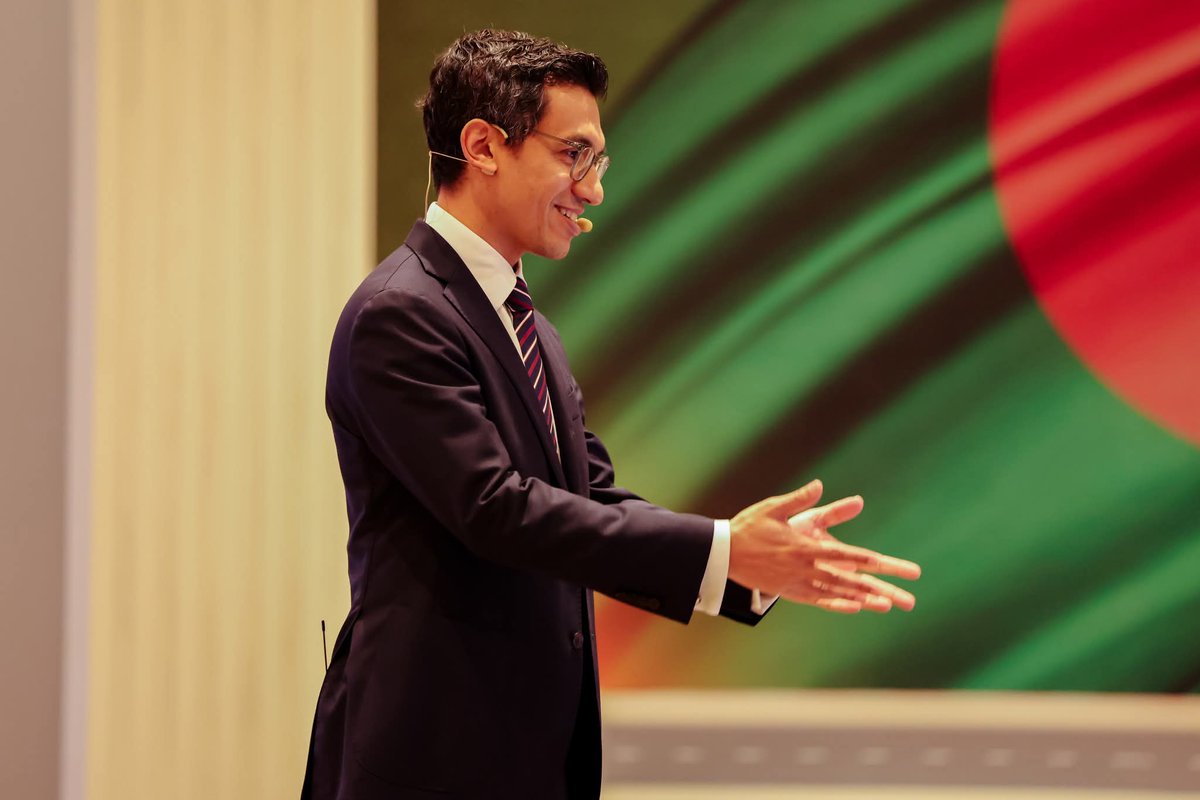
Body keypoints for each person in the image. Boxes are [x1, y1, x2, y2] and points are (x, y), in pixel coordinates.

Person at [302, 29, 921, 800]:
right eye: (573, 155)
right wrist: (724, 548)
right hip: (435, 752)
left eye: (597, 162)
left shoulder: (526, 323)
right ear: (484, 145)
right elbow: (497, 509)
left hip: (524, 753)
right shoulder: (400, 313)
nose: (592, 189)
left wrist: (742, 566)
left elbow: (588, 500)